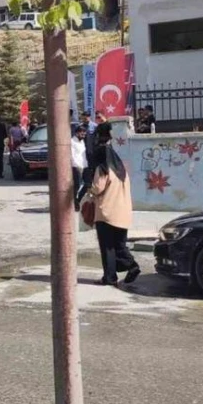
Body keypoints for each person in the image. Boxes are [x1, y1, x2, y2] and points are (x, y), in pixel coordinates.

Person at [85, 122, 140, 286]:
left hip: (106, 213)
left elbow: (97, 188)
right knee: (119, 244)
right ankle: (131, 267)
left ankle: (111, 276)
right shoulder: (121, 171)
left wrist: (88, 189)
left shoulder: (102, 170)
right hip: (123, 213)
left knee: (107, 246)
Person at [71, 123, 88, 211]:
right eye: (82, 133)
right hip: (76, 166)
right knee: (76, 186)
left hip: (84, 165)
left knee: (87, 184)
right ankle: (74, 203)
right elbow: (72, 155)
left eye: (84, 134)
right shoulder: (72, 142)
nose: (83, 135)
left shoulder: (82, 141)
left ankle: (78, 200)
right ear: (77, 133)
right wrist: (77, 166)